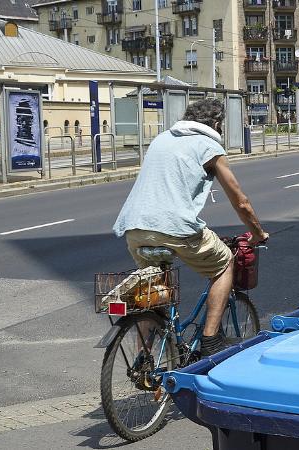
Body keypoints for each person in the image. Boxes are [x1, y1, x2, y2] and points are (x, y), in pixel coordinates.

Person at [113, 98, 269, 357]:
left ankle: (145, 360)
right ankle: (210, 340)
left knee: (154, 292)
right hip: (175, 228)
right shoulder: (209, 146)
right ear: (217, 123)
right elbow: (240, 201)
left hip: (135, 228)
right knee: (224, 263)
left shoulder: (162, 139)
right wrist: (257, 233)